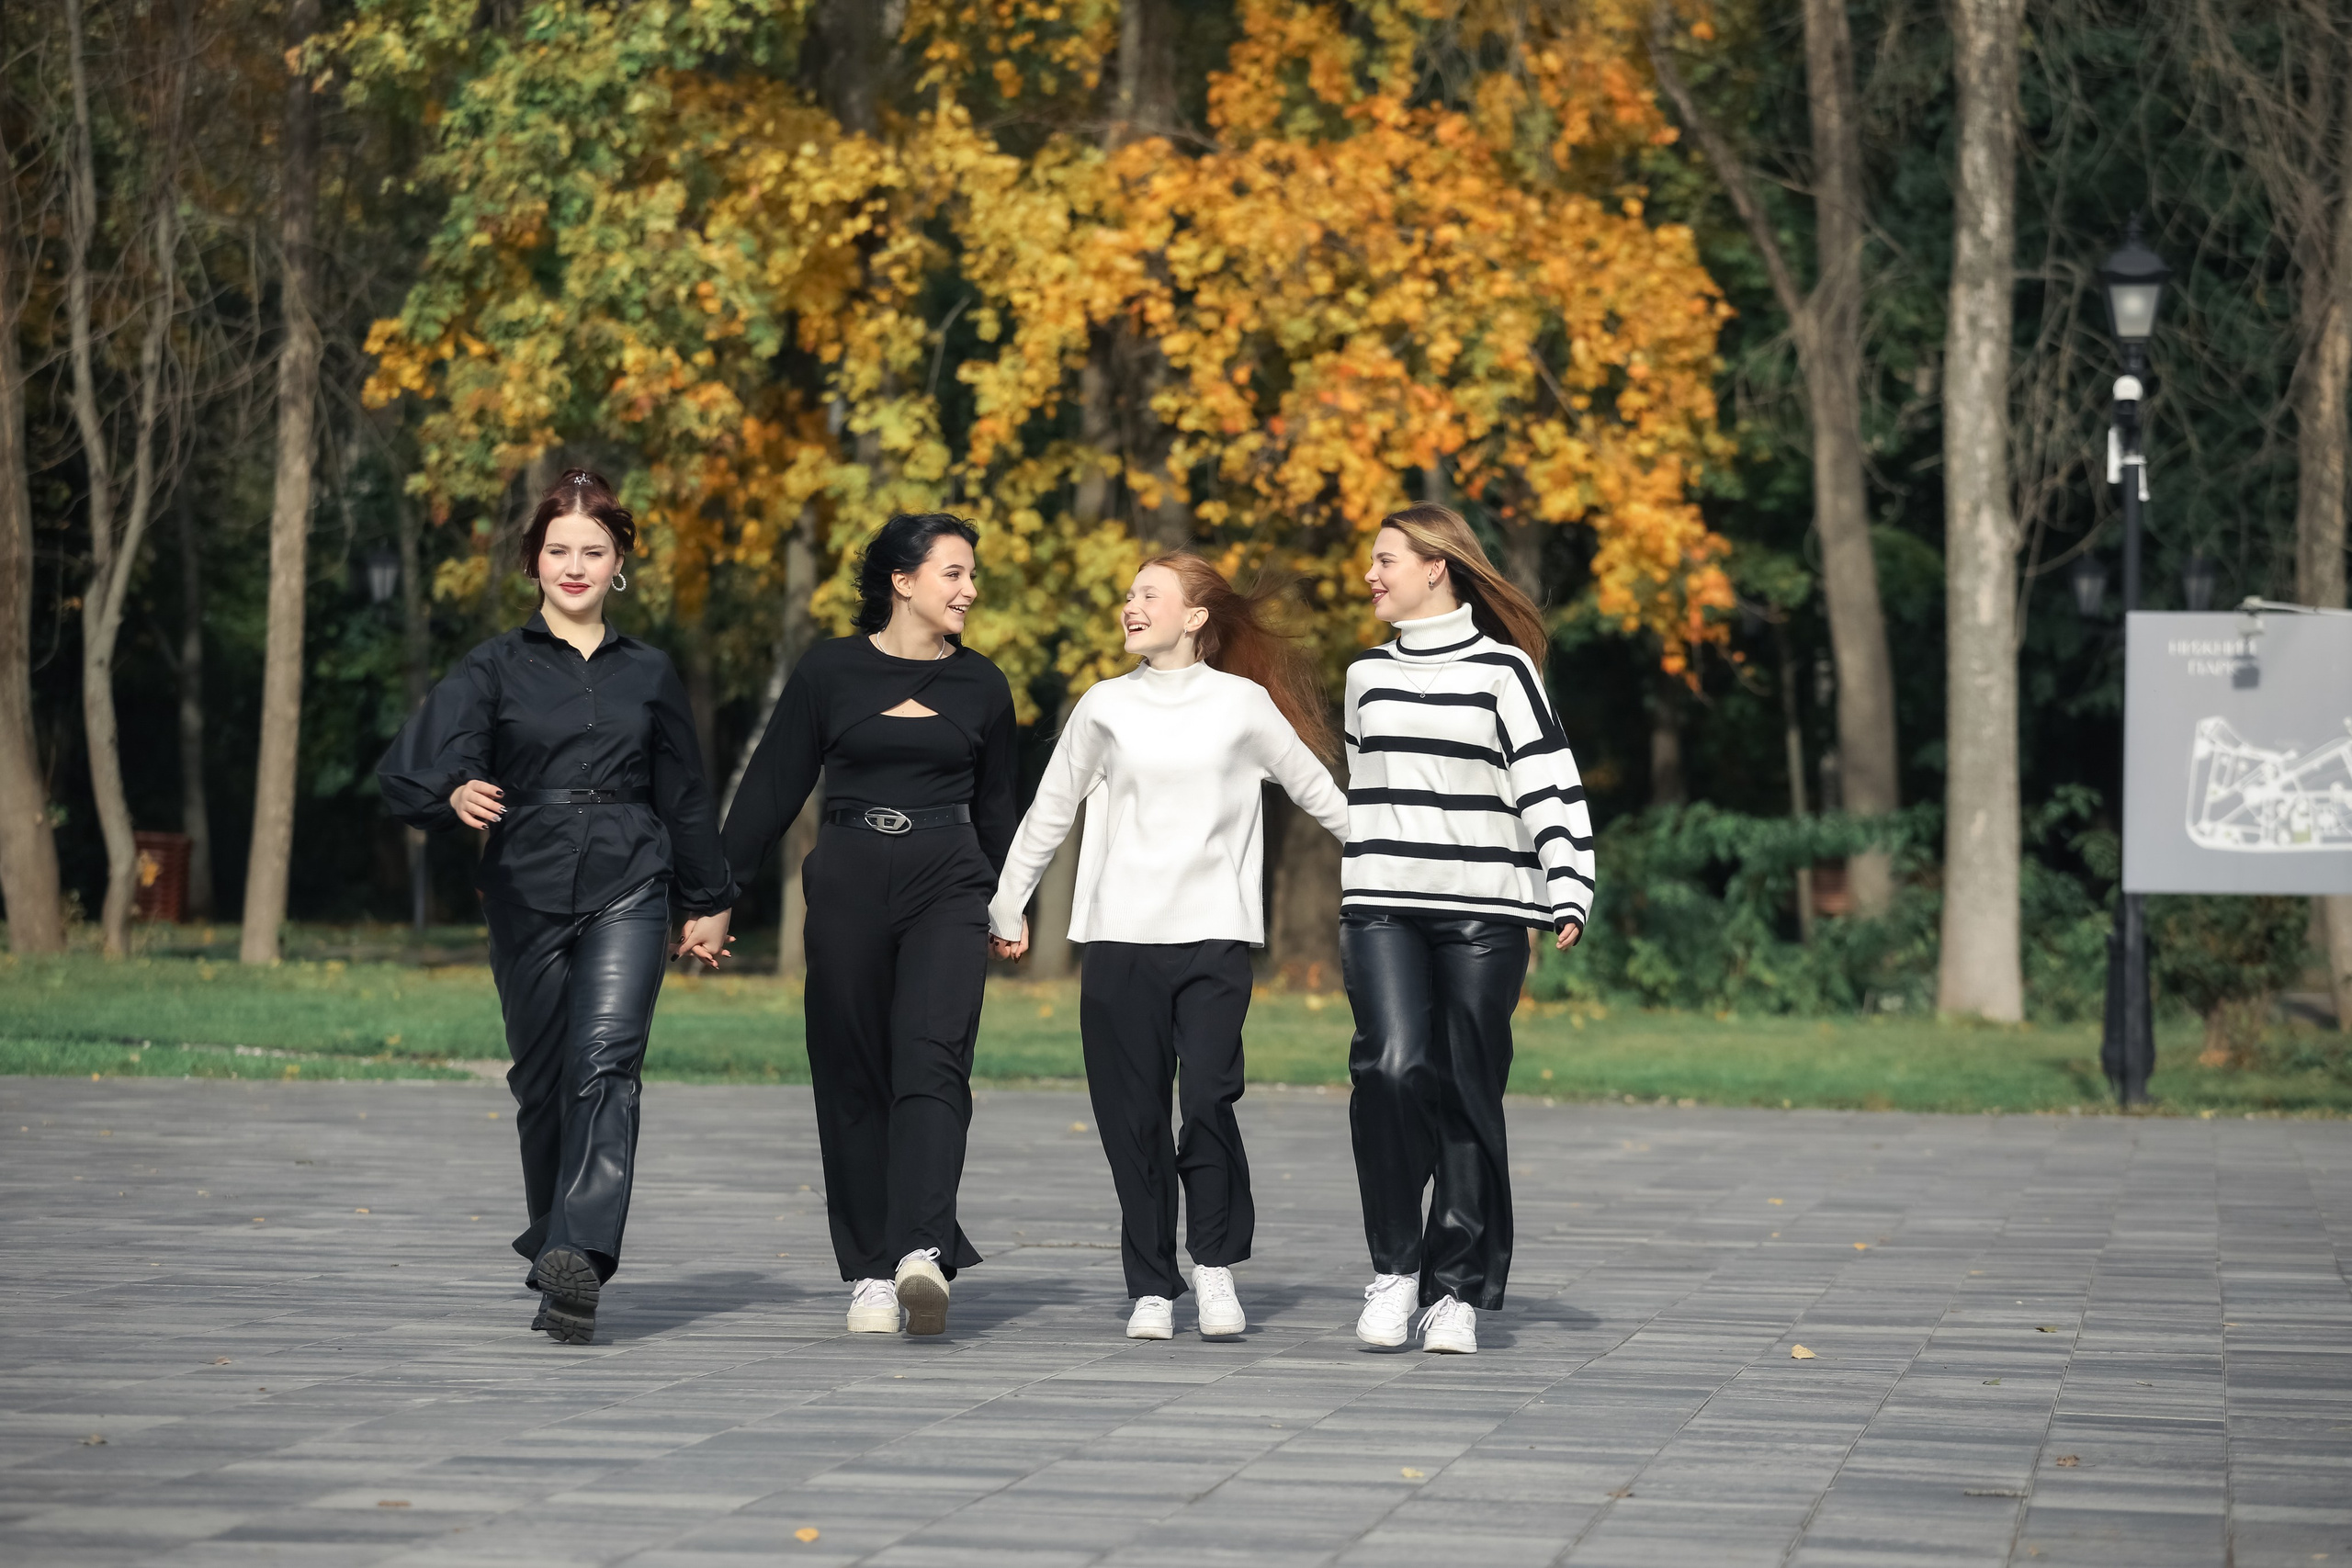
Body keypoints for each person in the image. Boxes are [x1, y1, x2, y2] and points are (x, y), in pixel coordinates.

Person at [379, 468, 737, 1346]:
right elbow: (408, 768)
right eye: (558, 550)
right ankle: (554, 1245)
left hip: (630, 880)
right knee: (543, 1084)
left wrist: (710, 898)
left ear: (619, 564)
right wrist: (454, 791)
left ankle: (579, 1253)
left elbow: (685, 795)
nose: (574, 565)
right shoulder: (492, 666)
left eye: (593, 551)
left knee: (605, 1067)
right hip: (526, 889)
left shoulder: (650, 672)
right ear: (534, 562)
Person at [989, 556, 1348, 1341]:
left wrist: (1383, 853)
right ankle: (1153, 1281)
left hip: (1213, 938)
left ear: (1194, 616)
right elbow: (1052, 807)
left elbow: (1317, 789)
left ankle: (1213, 1265)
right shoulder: (1104, 707)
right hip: (1121, 938)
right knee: (1133, 1115)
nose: (1130, 605)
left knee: (1211, 1098)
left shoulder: (1243, 706)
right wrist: (1008, 900)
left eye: (1148, 594)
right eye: (1127, 594)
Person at [684, 513, 1016, 1337]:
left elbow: (1004, 810)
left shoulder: (985, 684)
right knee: (851, 1068)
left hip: (949, 878)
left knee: (934, 1060)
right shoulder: (829, 670)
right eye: (954, 573)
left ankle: (921, 1252)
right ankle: (871, 1271)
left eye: (973, 575)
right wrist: (719, 894)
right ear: (903, 581)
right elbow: (768, 789)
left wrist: (1011, 903)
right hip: (848, 876)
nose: (970, 589)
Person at [1340, 504, 1594, 1356]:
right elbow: (1366, 791)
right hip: (1381, 901)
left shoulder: (1505, 671)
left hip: (1486, 910)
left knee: (1462, 1085)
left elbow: (1547, 778)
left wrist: (1568, 881)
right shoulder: (1364, 676)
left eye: (1384, 560)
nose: (1371, 575)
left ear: (1436, 566)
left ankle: (1453, 1291)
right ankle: (1394, 1270)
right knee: (1388, 1066)